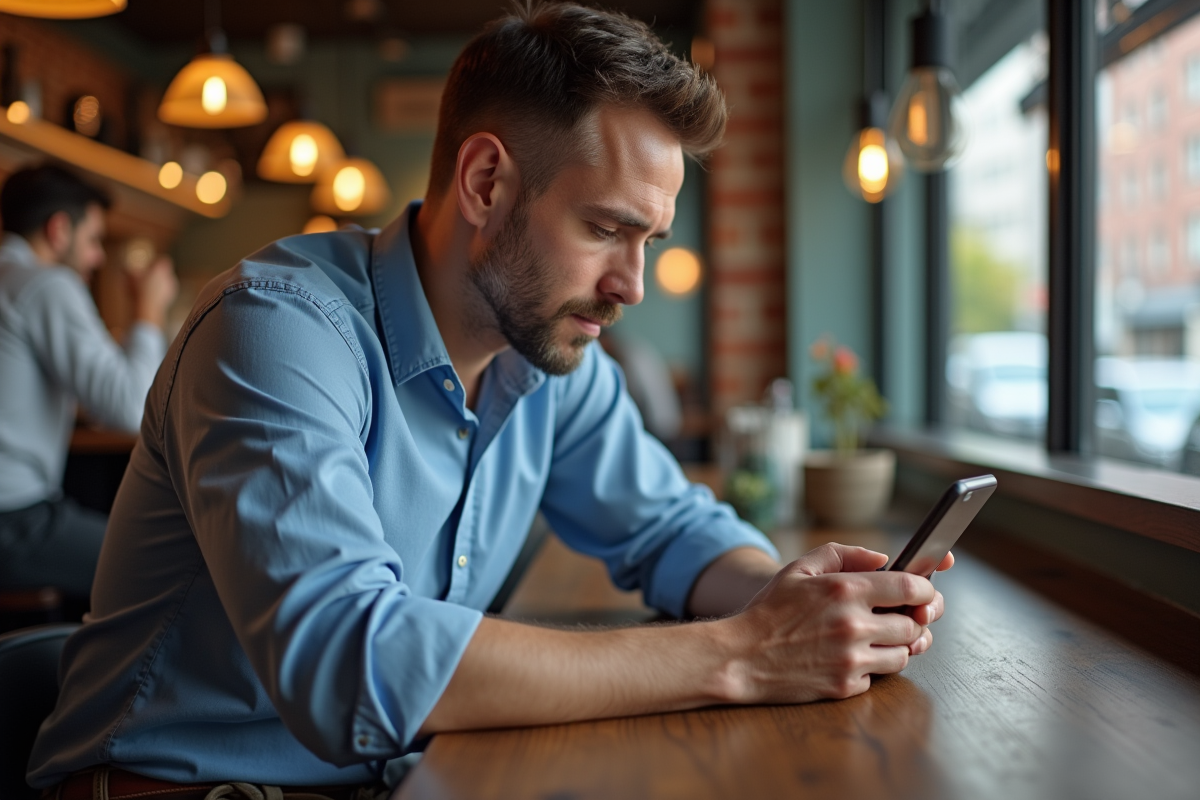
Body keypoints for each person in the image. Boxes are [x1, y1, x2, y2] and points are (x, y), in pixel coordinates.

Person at [28, 3, 952, 797]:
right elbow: (352, 664)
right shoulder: (276, 330)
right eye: (606, 228)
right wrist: (745, 654)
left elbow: (670, 529)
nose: (632, 286)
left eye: (650, 241)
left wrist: (797, 601)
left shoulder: (550, 360)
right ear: (485, 183)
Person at [0, 164, 177, 606]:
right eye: (94, 240)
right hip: (14, 520)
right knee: (172, 561)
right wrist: (148, 308)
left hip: (16, 515)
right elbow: (132, 409)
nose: (98, 258)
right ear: (59, 229)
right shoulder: (46, 284)